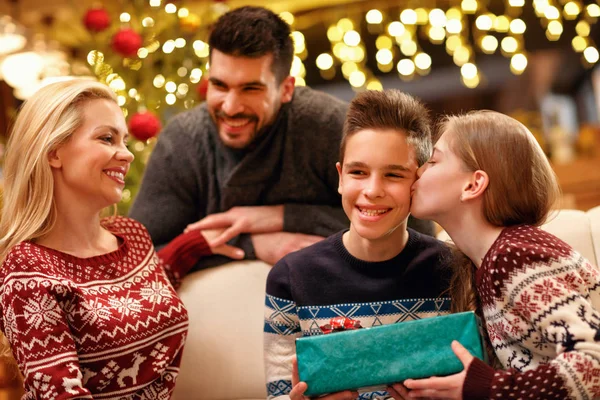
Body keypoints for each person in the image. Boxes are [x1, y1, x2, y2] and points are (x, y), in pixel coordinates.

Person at [129, 6, 433, 269]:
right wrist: (255, 245)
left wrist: (282, 217)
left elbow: (412, 229)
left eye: (251, 89)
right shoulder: (182, 142)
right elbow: (136, 259)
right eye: (219, 86)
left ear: (286, 88)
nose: (231, 107)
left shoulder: (327, 123)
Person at [0, 79, 241, 398]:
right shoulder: (27, 270)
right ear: (54, 152)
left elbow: (131, 298)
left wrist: (194, 244)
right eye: (107, 138)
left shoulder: (131, 236)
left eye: (125, 141)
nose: (126, 154)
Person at [392, 110, 600, 399]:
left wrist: (488, 387)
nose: (418, 171)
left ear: (473, 185)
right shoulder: (486, 263)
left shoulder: (514, 258)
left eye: (434, 161)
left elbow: (594, 363)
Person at [265, 90, 452, 400]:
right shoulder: (290, 278)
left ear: (419, 181)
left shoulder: (452, 270)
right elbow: (279, 394)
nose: (372, 190)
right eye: (358, 172)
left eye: (393, 174)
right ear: (340, 177)